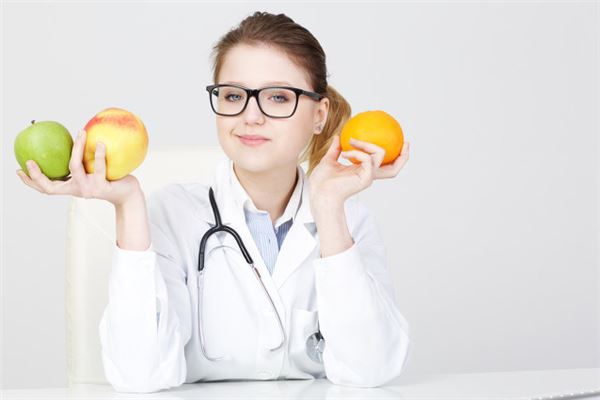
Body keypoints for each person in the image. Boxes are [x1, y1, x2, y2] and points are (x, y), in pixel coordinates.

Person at [16, 11, 411, 394]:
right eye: (234, 95)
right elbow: (139, 375)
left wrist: (328, 208)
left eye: (277, 97)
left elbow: (370, 369)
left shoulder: (350, 221)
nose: (250, 116)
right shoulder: (172, 213)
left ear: (319, 115)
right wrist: (128, 205)